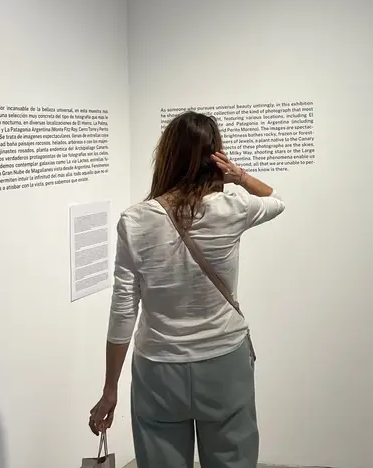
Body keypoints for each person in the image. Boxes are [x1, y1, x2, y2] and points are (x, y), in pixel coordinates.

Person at [88, 111, 285, 468]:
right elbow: (276, 199)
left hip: (159, 369)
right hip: (224, 360)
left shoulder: (135, 220)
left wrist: (109, 389)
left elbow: (122, 314)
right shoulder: (233, 207)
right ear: (214, 157)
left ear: (167, 156)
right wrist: (238, 175)